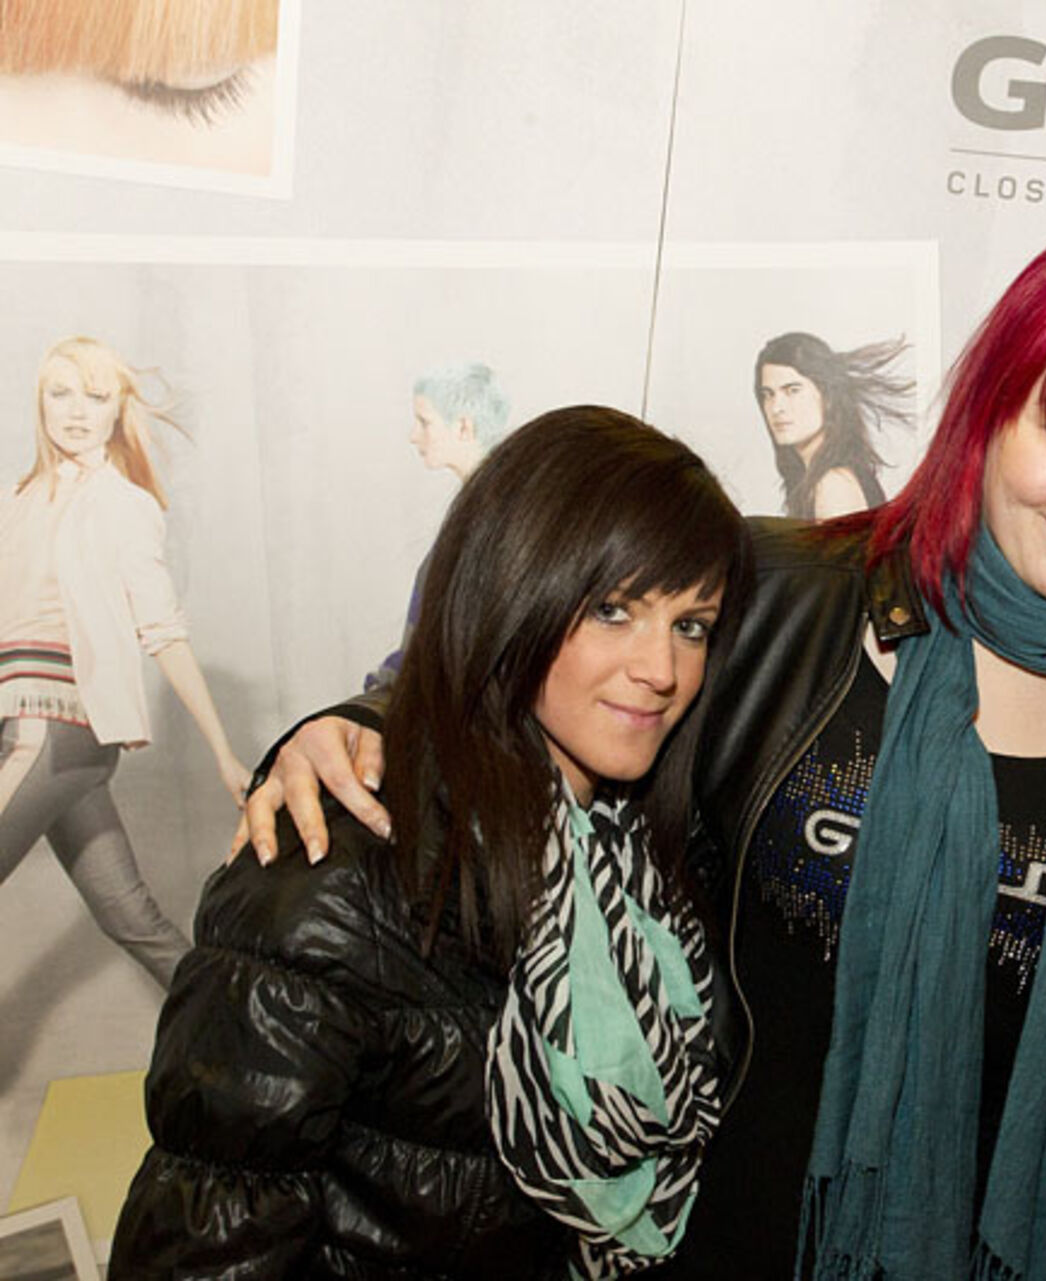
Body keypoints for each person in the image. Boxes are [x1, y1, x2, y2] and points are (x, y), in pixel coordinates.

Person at [242, 225, 1046, 1279]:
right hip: (716, 1249)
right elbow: (539, 668)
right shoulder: (783, 597)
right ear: (990, 413)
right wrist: (361, 725)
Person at [111, 407, 749, 1279]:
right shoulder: (335, 879)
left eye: (691, 624)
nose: (661, 669)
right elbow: (202, 1247)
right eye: (612, 610)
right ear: (512, 592)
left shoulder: (655, 865)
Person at [0, 336, 249, 988]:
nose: (76, 412)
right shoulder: (15, 500)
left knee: (130, 918)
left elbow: (163, 633)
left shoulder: (123, 505)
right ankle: (242, 1026)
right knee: (132, 918)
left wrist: (223, 752)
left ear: (117, 410)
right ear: (39, 403)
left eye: (96, 396)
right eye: (60, 394)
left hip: (53, 729)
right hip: (43, 739)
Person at [364, 360, 514, 690]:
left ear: (463, 427)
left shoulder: (495, 525)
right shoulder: (480, 509)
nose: (414, 436)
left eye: (424, 422)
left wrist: (390, 689)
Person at [754, 330, 913, 520]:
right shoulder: (819, 478)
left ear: (828, 397)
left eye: (792, 391)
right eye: (768, 394)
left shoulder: (834, 485)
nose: (776, 408)